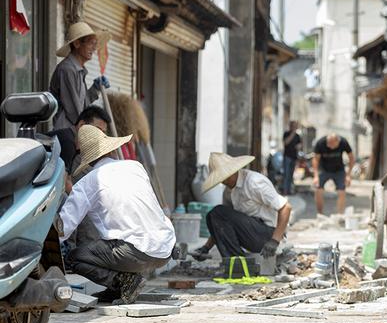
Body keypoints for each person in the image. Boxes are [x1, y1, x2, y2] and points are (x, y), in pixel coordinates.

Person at [56, 125, 176, 304]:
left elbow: (63, 230)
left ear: (85, 158)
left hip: (136, 252)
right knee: (117, 241)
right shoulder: (135, 167)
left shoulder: (87, 183)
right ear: (111, 149)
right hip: (165, 248)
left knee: (75, 258)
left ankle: (124, 282)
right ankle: (119, 288)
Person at [191, 152, 292, 265]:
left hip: (269, 235)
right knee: (212, 216)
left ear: (233, 171)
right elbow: (221, 224)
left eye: (224, 177)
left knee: (218, 212)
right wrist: (206, 247)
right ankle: (236, 263)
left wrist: (275, 241)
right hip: (252, 234)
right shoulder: (228, 192)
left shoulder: (254, 182)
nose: (223, 182)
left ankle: (239, 264)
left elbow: (286, 207)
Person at [49, 21, 111, 130]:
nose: (94, 48)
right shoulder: (67, 69)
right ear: (77, 44)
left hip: (75, 131)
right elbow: (74, 111)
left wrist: (95, 89)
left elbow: (82, 104)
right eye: (91, 43)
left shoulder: (78, 70)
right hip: (66, 132)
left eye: (95, 44)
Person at [47, 105, 111, 173]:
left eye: (103, 132)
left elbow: (67, 177)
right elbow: (62, 179)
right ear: (81, 125)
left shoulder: (75, 144)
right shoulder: (68, 142)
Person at [312, 133, 355, 215]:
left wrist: (348, 175)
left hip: (338, 170)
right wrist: (316, 176)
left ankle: (340, 214)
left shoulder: (343, 142)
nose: (328, 146)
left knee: (341, 191)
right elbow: (315, 159)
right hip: (323, 169)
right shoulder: (320, 143)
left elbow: (351, 158)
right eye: (328, 143)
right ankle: (320, 213)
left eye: (331, 144)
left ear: (337, 142)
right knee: (318, 189)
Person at [282, 121, 302, 195]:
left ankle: (289, 190)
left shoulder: (298, 136)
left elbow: (300, 146)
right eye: (293, 126)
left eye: (295, 126)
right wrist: (292, 134)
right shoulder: (286, 134)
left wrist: (299, 146)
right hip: (287, 157)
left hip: (294, 157)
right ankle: (285, 191)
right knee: (286, 174)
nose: (294, 127)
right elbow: (285, 142)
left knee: (291, 175)